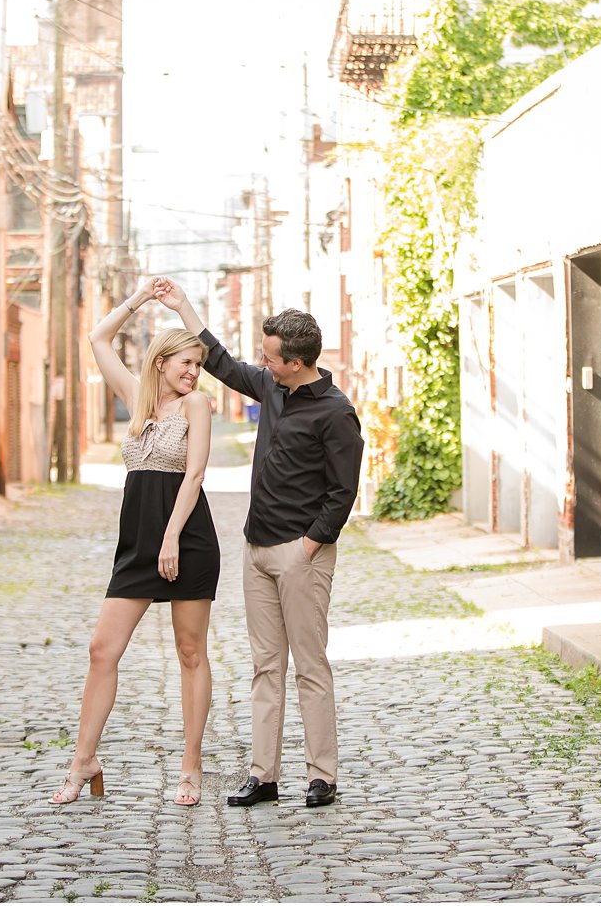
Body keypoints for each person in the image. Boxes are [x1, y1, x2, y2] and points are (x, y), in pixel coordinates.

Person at [153, 277, 364, 809]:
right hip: (257, 550)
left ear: (295, 361)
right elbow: (221, 362)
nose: (262, 362)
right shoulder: (271, 387)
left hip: (301, 555)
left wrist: (310, 546)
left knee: (309, 665)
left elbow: (343, 492)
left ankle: (322, 775)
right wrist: (183, 308)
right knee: (266, 665)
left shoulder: (335, 412)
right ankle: (264, 775)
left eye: (270, 357)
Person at [49, 281, 221, 808]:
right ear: (161, 361)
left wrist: (171, 538)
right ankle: (85, 760)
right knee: (103, 649)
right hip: (136, 543)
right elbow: (98, 338)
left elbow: (193, 476)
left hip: (186, 537)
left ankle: (190, 767)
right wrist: (140, 300)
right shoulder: (136, 398)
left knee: (191, 653)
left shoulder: (198, 406)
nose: (193, 372)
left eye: (198, 363)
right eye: (186, 363)